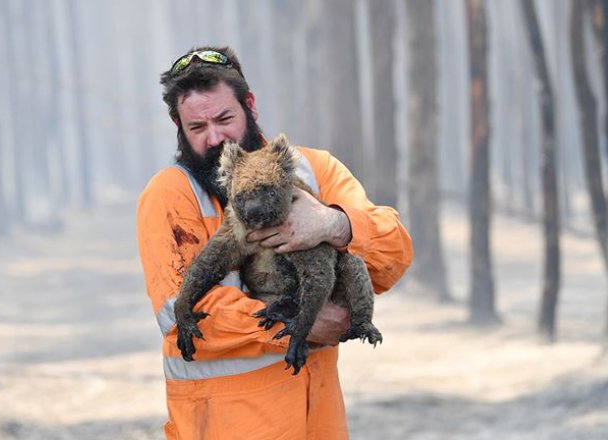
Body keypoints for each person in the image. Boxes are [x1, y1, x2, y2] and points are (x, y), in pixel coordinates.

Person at [136, 46, 413, 439]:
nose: (215, 138)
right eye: (197, 128)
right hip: (223, 427)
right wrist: (299, 325)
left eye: (224, 118)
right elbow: (178, 309)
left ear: (250, 105)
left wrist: (334, 224)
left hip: (318, 423)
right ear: (178, 126)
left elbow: (395, 253)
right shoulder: (170, 194)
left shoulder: (313, 170)